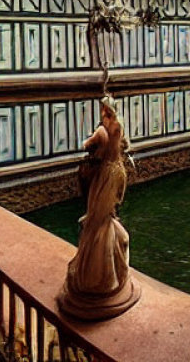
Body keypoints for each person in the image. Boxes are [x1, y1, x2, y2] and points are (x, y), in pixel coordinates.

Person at [58, 96, 140, 319]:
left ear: (105, 110)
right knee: (106, 216)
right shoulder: (118, 127)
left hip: (104, 176)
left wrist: (92, 144)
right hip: (117, 172)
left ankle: (97, 277)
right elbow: (125, 146)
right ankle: (113, 270)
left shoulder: (103, 130)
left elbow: (86, 145)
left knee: (97, 217)